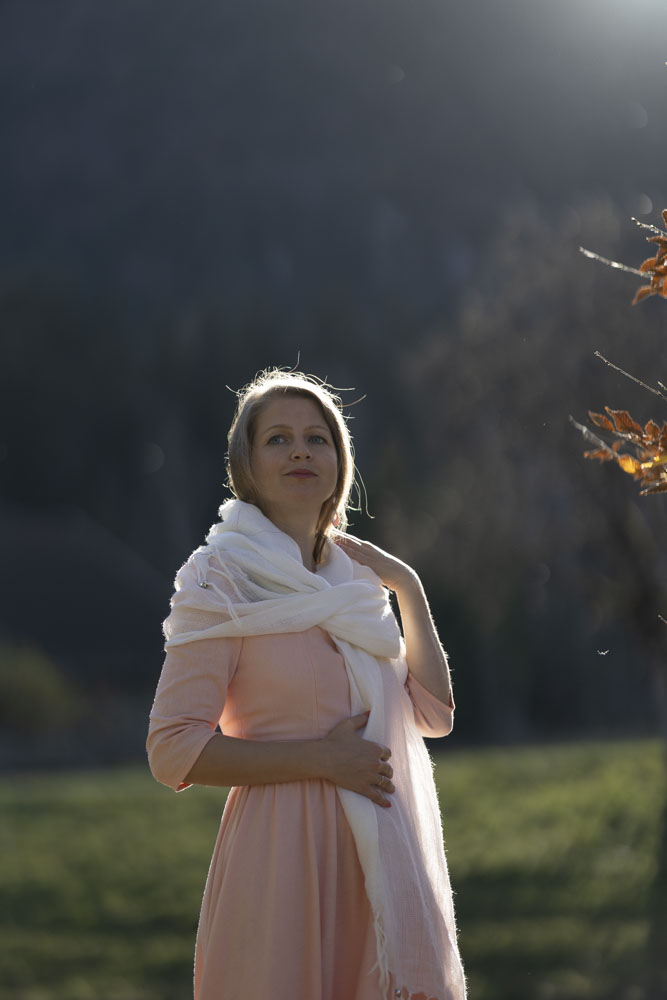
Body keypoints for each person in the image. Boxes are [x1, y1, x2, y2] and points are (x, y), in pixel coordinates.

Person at [146, 369, 466, 1000]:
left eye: (317, 438)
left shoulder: (359, 582)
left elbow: (434, 715)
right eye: (279, 439)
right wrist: (321, 760)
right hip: (282, 859)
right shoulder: (220, 580)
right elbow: (171, 748)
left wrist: (408, 587)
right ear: (246, 465)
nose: (300, 451)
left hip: (382, 857)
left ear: (339, 462)